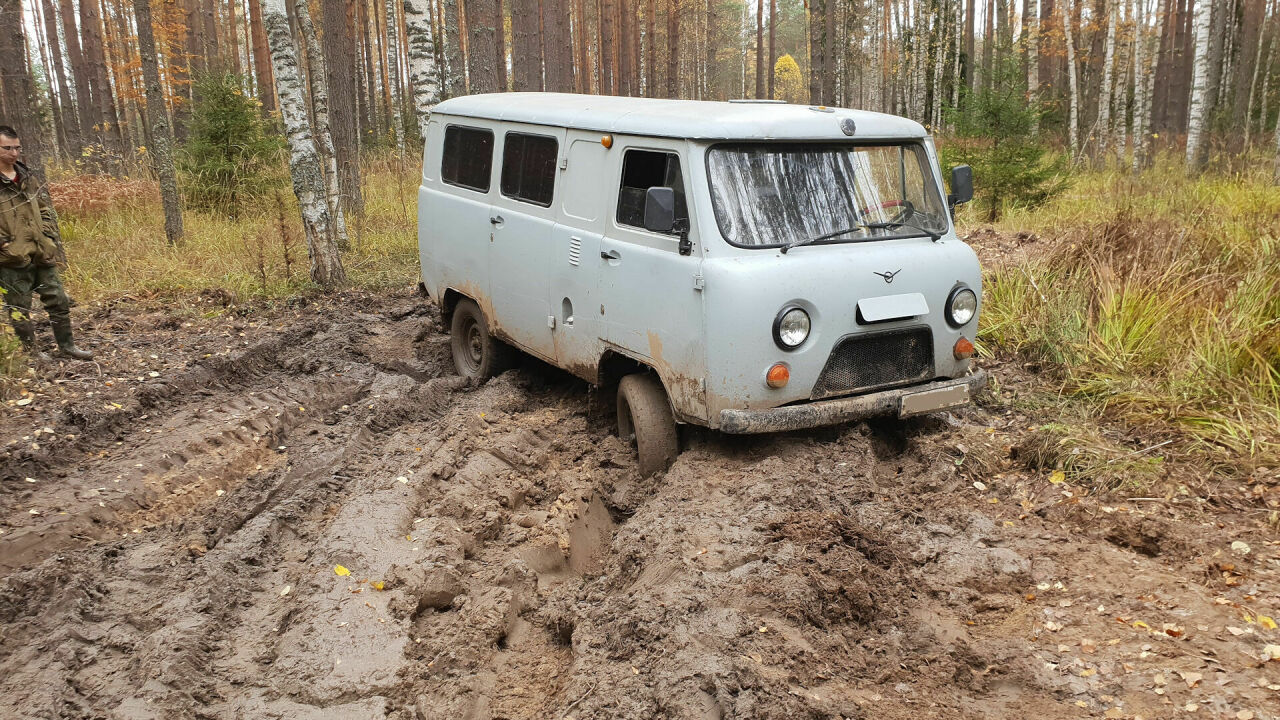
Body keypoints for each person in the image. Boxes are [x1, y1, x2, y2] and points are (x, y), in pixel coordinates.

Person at [0, 125, 92, 361]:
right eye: (7, 148)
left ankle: (68, 346)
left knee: (58, 299)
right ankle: (32, 354)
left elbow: (45, 208)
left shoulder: (27, 177)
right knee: (20, 308)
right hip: (12, 257)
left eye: (17, 147)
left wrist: (49, 235)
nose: (14, 153)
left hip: (41, 251)